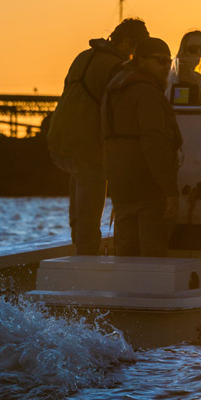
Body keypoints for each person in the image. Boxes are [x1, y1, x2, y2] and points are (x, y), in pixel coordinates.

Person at [47, 18, 149, 255]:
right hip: (87, 143)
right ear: (125, 42)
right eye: (138, 48)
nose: (138, 56)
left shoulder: (84, 56)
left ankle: (79, 242)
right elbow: (120, 109)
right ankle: (87, 253)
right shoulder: (116, 66)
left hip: (59, 137)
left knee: (78, 187)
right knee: (90, 198)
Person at [101, 37, 182, 257]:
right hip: (148, 187)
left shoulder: (113, 89)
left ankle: (128, 291)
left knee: (126, 253)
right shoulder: (147, 93)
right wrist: (169, 191)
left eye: (169, 61)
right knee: (152, 255)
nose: (166, 67)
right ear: (142, 61)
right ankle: (152, 292)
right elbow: (153, 143)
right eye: (160, 61)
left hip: (120, 186)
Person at [173, 30, 201, 106]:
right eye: (193, 49)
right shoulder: (176, 76)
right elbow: (183, 109)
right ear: (184, 51)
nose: (199, 52)